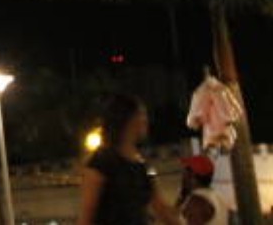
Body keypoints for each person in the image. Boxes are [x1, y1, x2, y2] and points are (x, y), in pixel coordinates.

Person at [77, 94, 180, 225]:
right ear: (128, 119)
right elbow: (87, 214)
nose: (146, 120)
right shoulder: (102, 162)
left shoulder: (140, 166)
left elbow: (161, 208)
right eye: (142, 114)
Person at [177, 155, 228, 225]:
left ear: (192, 176)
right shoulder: (215, 195)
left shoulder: (197, 202)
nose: (182, 175)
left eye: (185, 170)